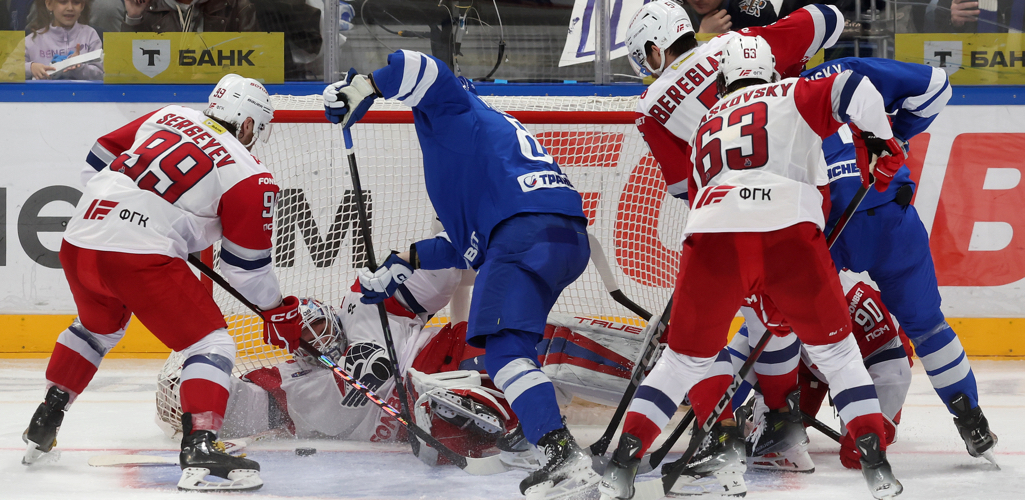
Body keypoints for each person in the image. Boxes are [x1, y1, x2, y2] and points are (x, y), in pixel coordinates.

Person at [599, 33, 907, 500]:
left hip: (713, 234)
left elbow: (702, 198)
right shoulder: (792, 91)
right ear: (772, 72)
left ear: (724, 80)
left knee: (680, 362)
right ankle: (877, 468)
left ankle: (621, 467)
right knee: (839, 357)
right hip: (789, 231)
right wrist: (881, 141)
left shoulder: (704, 123)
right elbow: (854, 88)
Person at [322, 51, 595, 498]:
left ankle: (561, 454)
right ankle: (534, 429)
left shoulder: (455, 110)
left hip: (522, 234)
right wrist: (406, 259)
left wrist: (365, 86)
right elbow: (468, 249)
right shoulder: (483, 146)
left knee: (504, 355)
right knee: (518, 345)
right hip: (562, 237)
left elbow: (422, 66)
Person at [22, 74, 304, 493]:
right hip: (136, 255)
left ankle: (46, 420)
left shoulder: (169, 115)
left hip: (80, 235)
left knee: (98, 329)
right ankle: (201, 446)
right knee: (210, 345)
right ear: (247, 125)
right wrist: (276, 309)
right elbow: (245, 270)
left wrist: (139, 211)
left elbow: (96, 160)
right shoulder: (250, 173)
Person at [802, 56, 998, 464]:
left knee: (788, 322)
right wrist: (893, 138)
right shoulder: (846, 69)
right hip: (891, 216)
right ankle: (971, 419)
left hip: (825, 228)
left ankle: (777, 417)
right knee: (927, 328)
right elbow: (938, 86)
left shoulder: (764, 95)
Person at [726, 273, 913, 473]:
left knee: (860, 450)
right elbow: (748, 353)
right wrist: (719, 411)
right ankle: (765, 410)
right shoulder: (771, 298)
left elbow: (894, 371)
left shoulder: (854, 299)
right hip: (808, 364)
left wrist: (871, 428)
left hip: (866, 360)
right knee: (777, 439)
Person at [24, 0, 103, 80]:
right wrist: (30, 68)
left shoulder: (90, 35)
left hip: (82, 92)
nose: (70, 8)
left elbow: (101, 74)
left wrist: (80, 68)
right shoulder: (32, 40)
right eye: (63, 2)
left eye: (76, 2)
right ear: (49, 4)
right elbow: (12, 69)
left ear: (82, 6)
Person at [120, 0, 258, 32]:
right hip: (165, 95)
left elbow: (258, 66)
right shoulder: (148, 6)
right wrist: (134, 18)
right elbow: (128, 69)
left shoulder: (235, 7)